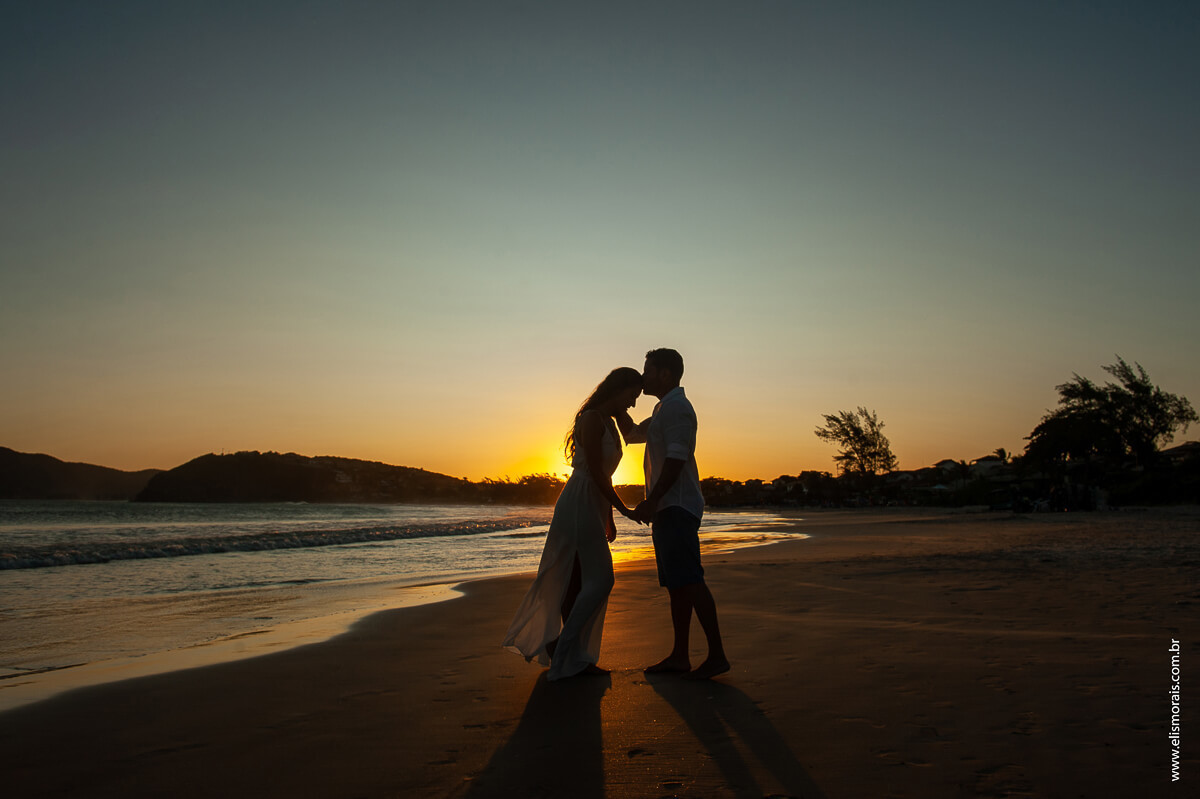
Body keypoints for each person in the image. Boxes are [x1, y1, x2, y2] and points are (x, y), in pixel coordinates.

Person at [502, 367, 642, 680]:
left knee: (581, 580)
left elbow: (607, 472)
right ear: (618, 389)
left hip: (593, 503)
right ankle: (565, 651)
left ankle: (577, 656)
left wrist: (608, 516)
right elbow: (594, 471)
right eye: (632, 395)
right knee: (601, 579)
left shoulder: (608, 421)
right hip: (579, 500)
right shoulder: (591, 419)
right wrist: (624, 509)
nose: (633, 403)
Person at [618, 348, 730, 680]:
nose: (644, 376)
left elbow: (678, 459)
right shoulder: (663, 408)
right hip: (668, 507)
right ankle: (680, 655)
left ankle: (717, 655)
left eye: (648, 370)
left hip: (676, 505)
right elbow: (633, 435)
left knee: (691, 581)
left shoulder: (678, 408)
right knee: (678, 585)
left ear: (666, 374)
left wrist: (653, 500)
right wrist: (617, 404)